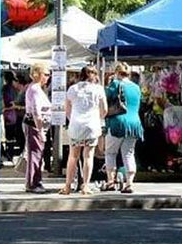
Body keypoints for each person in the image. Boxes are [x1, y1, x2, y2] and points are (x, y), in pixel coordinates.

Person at [61, 65, 107, 195]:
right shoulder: (98, 89)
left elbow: (67, 108)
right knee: (88, 156)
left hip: (76, 126)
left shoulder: (72, 89)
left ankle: (67, 186)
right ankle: (85, 185)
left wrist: (73, 119)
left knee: (73, 156)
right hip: (91, 126)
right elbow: (104, 110)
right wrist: (96, 118)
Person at [104, 64, 145, 193]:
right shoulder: (136, 88)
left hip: (118, 122)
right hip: (134, 123)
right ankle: (129, 183)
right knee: (128, 153)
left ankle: (110, 181)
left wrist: (107, 82)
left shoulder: (115, 84)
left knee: (110, 152)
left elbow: (105, 97)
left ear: (116, 72)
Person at [23, 65, 52, 193]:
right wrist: (40, 130)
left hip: (38, 124)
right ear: (37, 74)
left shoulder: (37, 89)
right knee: (35, 154)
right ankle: (33, 183)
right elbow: (36, 111)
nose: (48, 77)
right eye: (45, 74)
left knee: (37, 153)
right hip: (34, 124)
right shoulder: (35, 89)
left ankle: (34, 181)